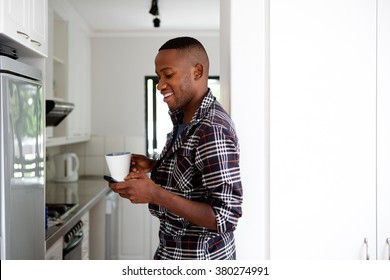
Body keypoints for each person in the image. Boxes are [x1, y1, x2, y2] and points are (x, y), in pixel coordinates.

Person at [109, 36, 243, 260]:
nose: (160, 84)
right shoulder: (184, 119)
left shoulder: (211, 129)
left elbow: (225, 217)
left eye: (168, 75)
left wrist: (154, 193)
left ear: (197, 72)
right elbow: (193, 174)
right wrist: (155, 166)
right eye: (159, 76)